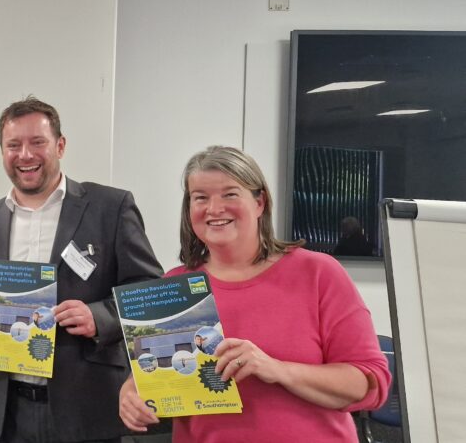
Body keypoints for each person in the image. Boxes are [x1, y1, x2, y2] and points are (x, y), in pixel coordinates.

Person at [118, 145, 391, 442]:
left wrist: (276, 369)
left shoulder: (318, 273)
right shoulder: (174, 287)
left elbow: (370, 383)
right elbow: (159, 377)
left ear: (259, 202)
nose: (214, 208)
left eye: (230, 194)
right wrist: (132, 392)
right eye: (200, 198)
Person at [0, 97, 163, 443]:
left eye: (37, 142)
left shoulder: (110, 207)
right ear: (2, 151)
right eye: (14, 145)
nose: (25, 155)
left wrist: (98, 316)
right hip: (7, 414)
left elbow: (149, 291)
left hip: (87, 409)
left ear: (60, 145)